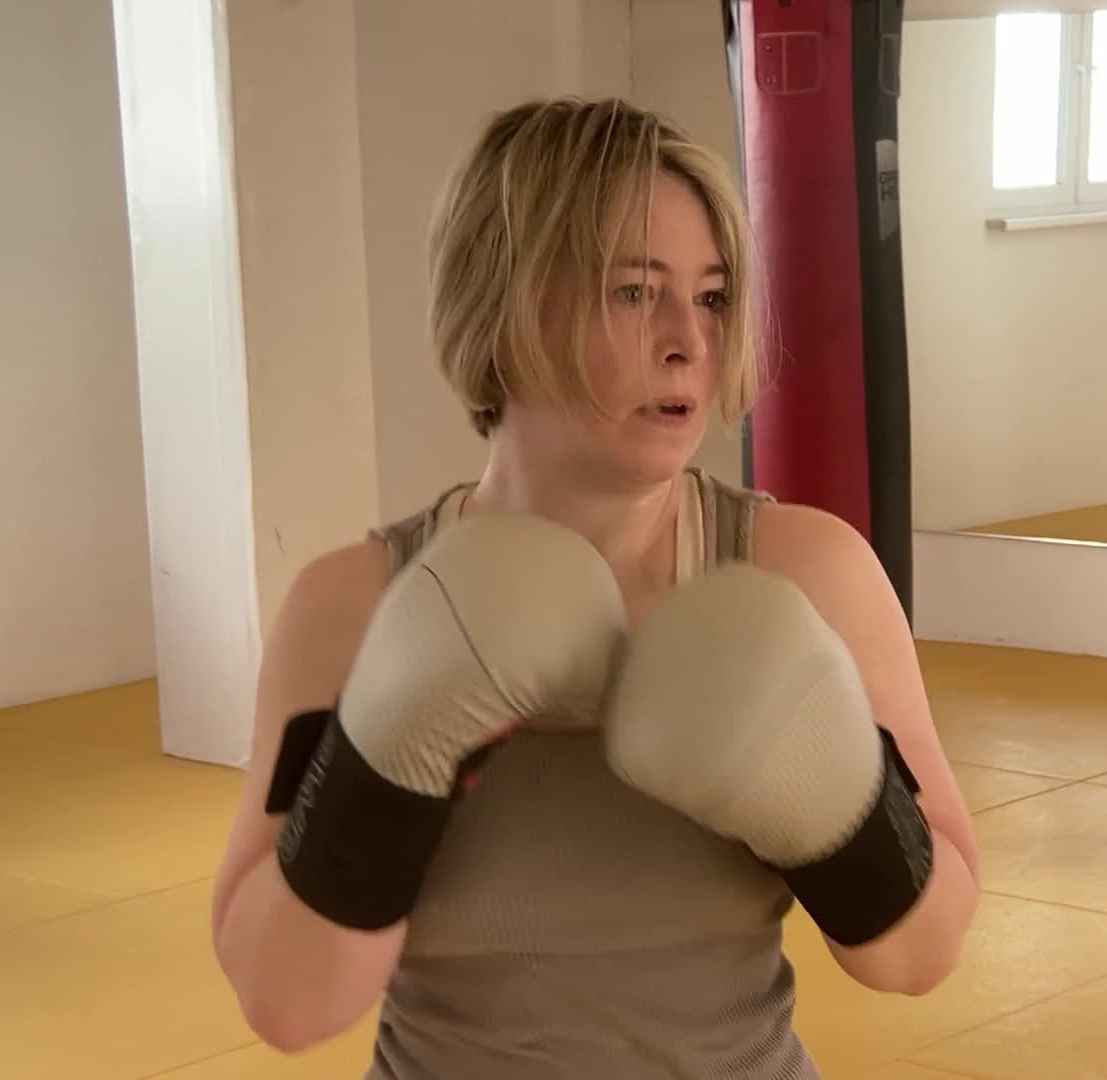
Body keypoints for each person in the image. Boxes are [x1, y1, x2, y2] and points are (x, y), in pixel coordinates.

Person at [207, 95, 981, 1078]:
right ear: (503, 305)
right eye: (632, 292)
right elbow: (286, 1001)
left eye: (712, 297)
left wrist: (835, 803)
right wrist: (391, 751)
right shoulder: (355, 605)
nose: (688, 341)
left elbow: (923, 952)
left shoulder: (804, 571)